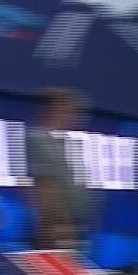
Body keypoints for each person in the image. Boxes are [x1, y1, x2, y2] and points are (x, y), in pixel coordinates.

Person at [27, 87, 90, 249]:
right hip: (56, 227)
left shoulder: (64, 143)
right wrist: (58, 224)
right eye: (70, 110)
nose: (75, 116)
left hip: (73, 225)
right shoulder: (39, 140)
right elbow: (44, 186)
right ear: (55, 109)